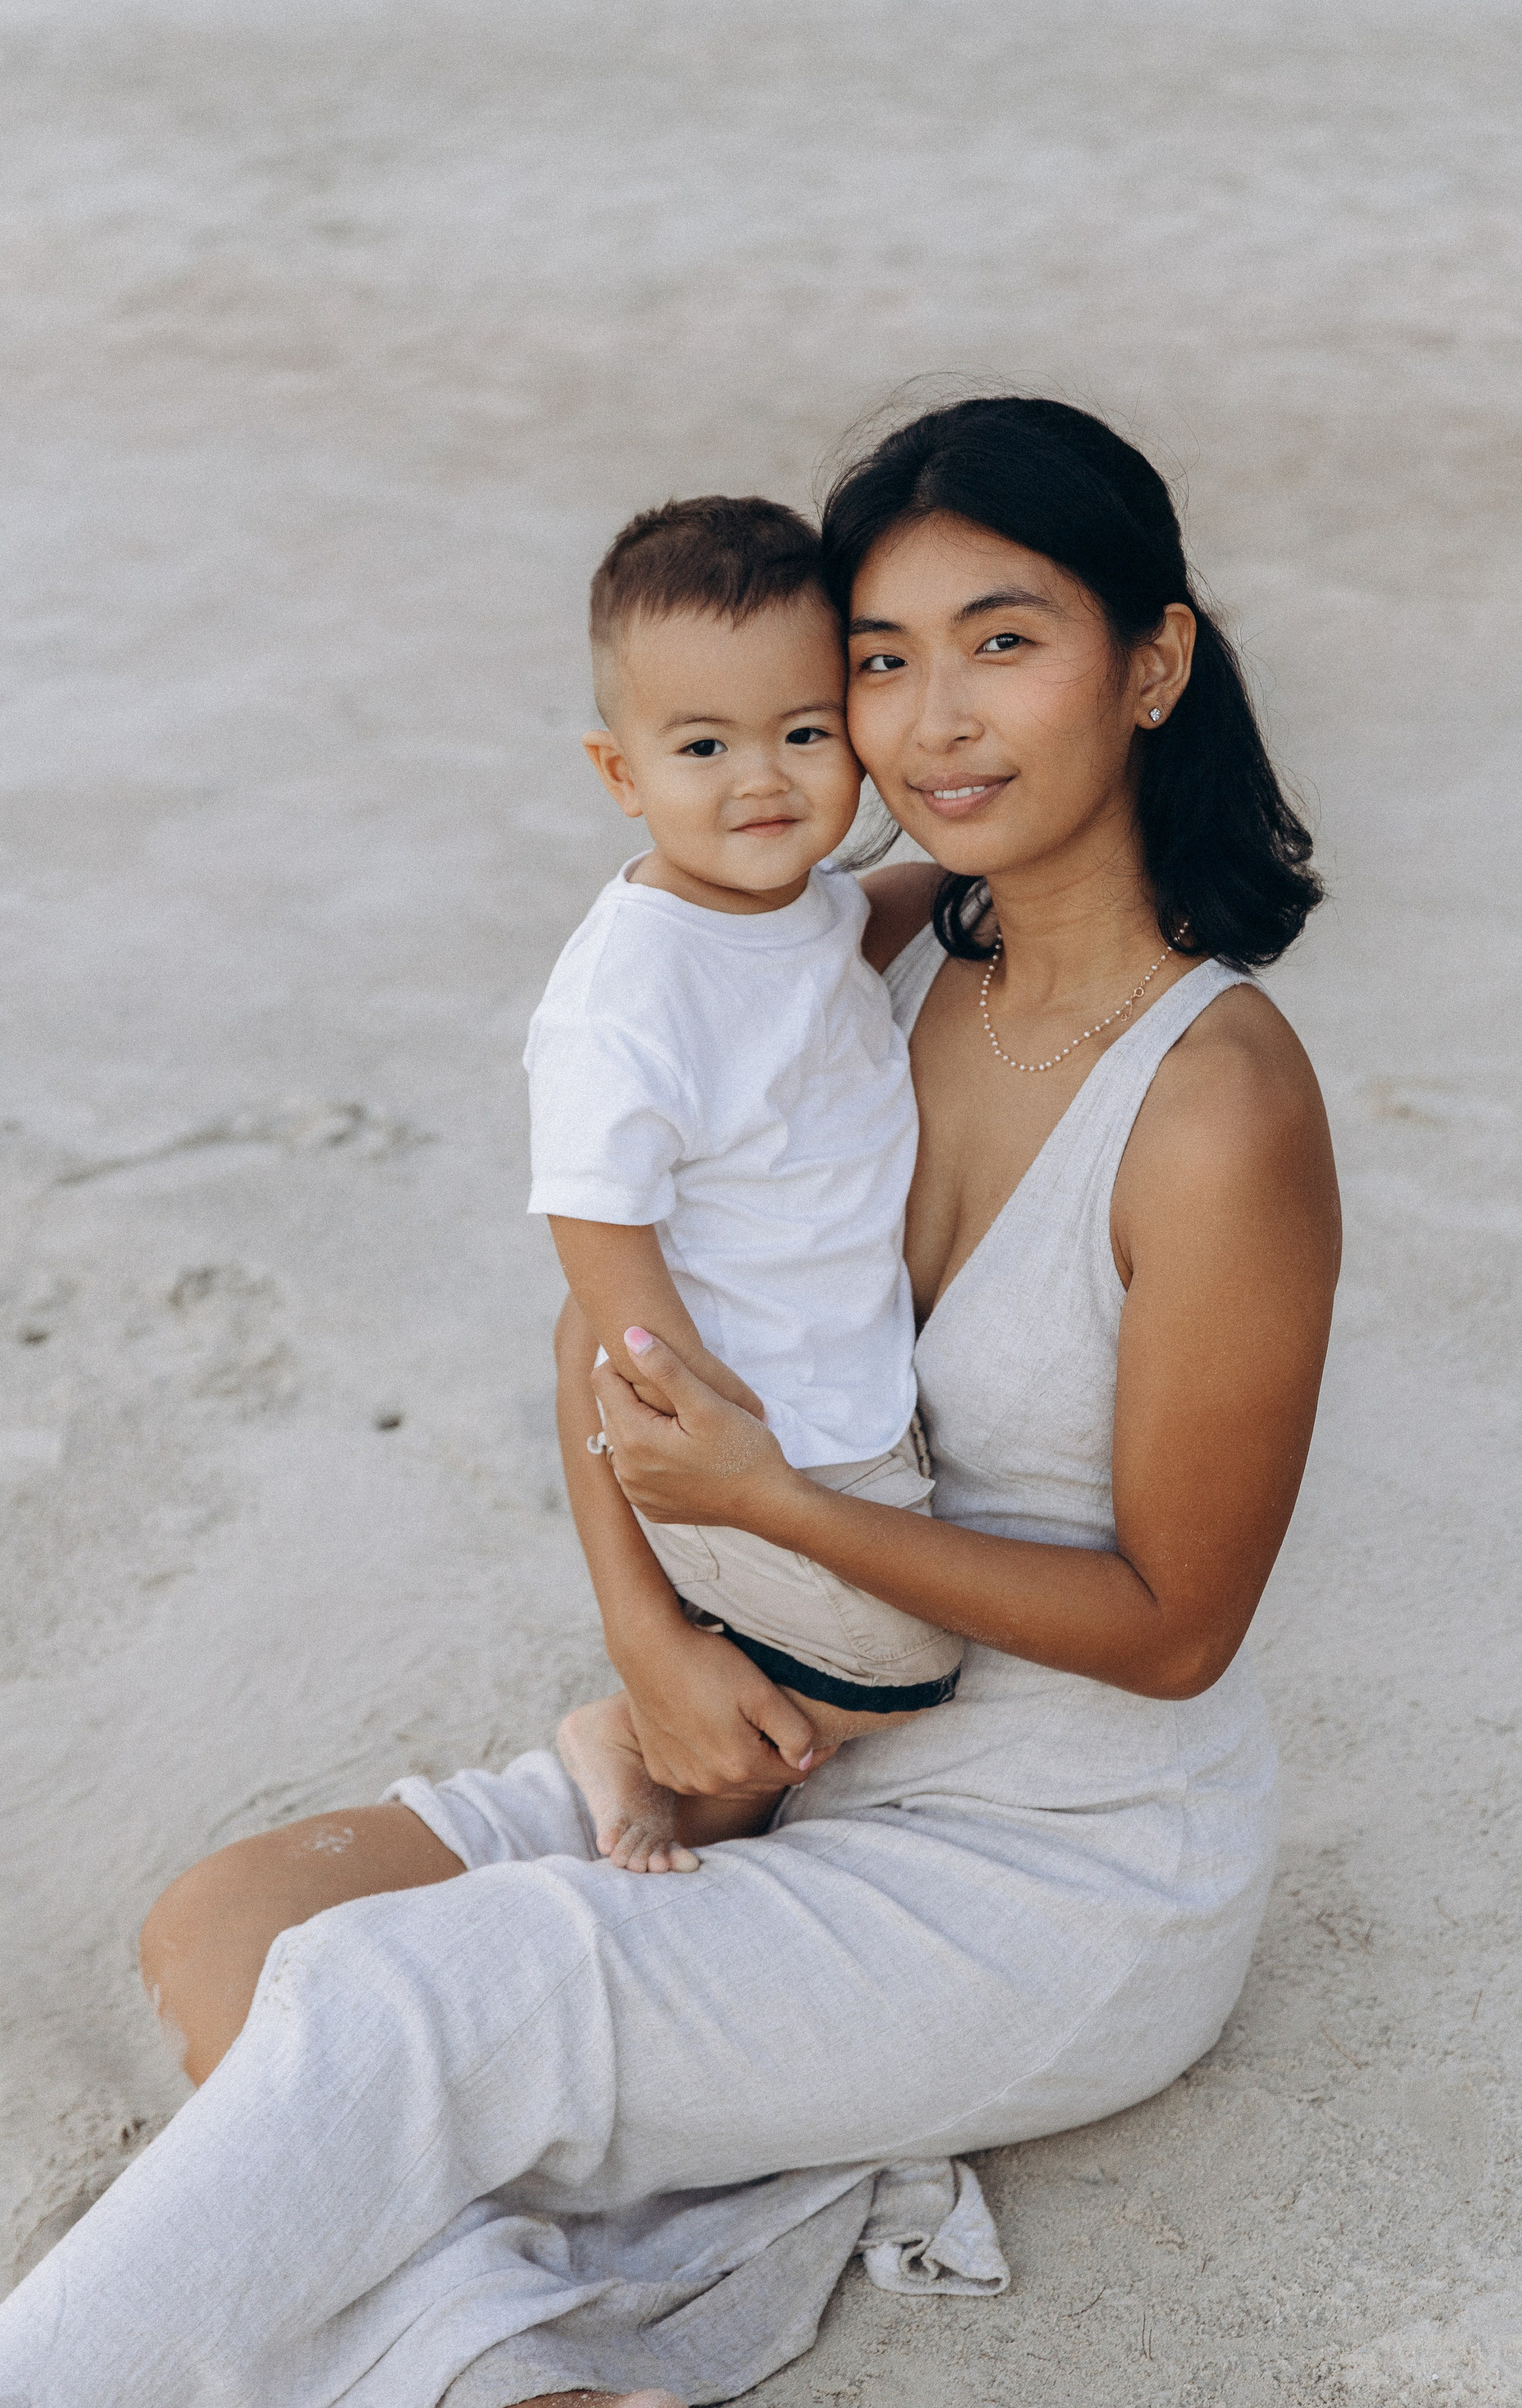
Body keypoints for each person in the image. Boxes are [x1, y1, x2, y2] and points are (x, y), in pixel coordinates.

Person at [0, 396, 1339, 2408]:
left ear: (1152, 663)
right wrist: (648, 1631)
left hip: (1053, 1869)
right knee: (245, 1914)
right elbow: (604, 1323)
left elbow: (1179, 1628)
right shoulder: (845, 951)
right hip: (771, 1726)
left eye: (1006, 639)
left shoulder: (1222, 1108)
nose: (935, 720)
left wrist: (781, 1514)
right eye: (879, 663)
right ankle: (506, 2369)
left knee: (396, 2002)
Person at [532, 491, 961, 1878]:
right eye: (701, 745)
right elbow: (593, 1219)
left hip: (843, 1402)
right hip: (738, 1428)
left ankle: (661, 1771)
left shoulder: (798, 904)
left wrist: (982, 853)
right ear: (619, 773)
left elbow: (864, 914)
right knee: (900, 1657)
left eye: (802, 733)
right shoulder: (630, 987)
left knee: (840, 1661)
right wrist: (685, 1415)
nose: (758, 780)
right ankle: (649, 1772)